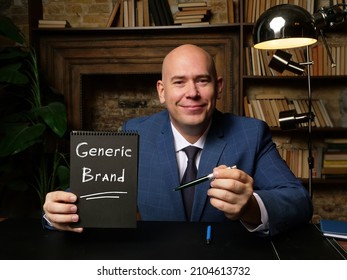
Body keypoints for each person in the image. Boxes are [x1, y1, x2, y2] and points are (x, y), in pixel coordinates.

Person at [43, 44, 313, 235]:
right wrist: (55, 213)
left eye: (202, 81)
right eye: (179, 82)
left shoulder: (251, 134)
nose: (192, 93)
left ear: (218, 87)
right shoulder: (135, 132)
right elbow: (92, 194)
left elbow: (298, 202)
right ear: (162, 91)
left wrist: (251, 207)